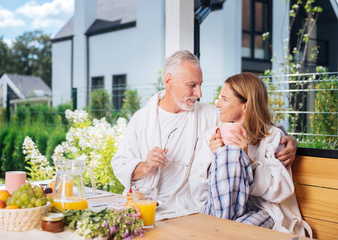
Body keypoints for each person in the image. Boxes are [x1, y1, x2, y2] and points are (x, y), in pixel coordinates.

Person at [111, 50, 297, 212]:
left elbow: (249, 119)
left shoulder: (209, 115)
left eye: (200, 85)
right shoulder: (142, 119)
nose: (199, 93)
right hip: (145, 203)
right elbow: (120, 164)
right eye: (192, 85)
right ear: (169, 81)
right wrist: (146, 166)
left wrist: (288, 137)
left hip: (184, 207)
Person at [190, 72, 311, 237]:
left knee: (232, 233)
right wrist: (215, 158)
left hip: (262, 209)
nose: (217, 104)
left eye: (224, 99)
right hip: (216, 209)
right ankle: (218, 229)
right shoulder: (213, 135)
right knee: (228, 154)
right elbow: (197, 188)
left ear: (245, 105)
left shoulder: (273, 136)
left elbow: (280, 190)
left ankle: (216, 231)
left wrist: (248, 161)